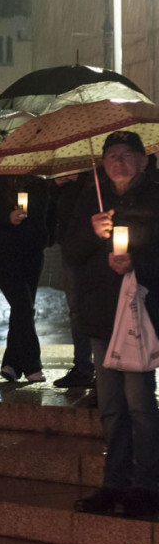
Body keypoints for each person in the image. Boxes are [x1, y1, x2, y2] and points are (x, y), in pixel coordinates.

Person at [67, 131, 159, 517]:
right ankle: (113, 482)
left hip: (142, 312)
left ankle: (146, 484)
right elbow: (70, 251)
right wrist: (92, 232)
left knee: (139, 403)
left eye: (127, 155)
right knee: (111, 406)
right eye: (112, 155)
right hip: (103, 314)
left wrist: (136, 262)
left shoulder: (155, 196)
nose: (118, 161)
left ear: (142, 160)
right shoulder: (92, 198)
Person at [0, 174, 52, 383]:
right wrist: (7, 218)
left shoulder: (40, 184)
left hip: (32, 253)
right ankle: (32, 364)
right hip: (3, 252)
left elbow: (49, 215)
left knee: (22, 308)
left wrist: (45, 236)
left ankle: (11, 364)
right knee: (23, 306)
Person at [53, 173, 96, 388]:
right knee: (77, 310)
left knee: (105, 308)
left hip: (100, 251)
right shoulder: (69, 186)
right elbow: (60, 215)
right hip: (73, 250)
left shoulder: (101, 180)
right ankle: (83, 366)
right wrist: (57, 188)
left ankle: (106, 367)